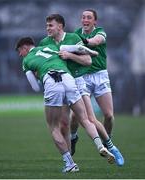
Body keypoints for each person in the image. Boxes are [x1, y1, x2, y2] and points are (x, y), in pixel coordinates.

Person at [15, 37, 115, 173]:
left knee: (53, 127)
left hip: (51, 81)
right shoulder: (51, 47)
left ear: (25, 48)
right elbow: (79, 48)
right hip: (68, 79)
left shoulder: (26, 61)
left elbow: (35, 87)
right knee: (85, 119)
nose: (20, 55)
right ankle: (100, 146)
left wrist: (39, 76)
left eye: (19, 51)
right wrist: (92, 53)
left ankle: (70, 164)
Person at [39, 13, 124, 166]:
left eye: (50, 25)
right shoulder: (45, 42)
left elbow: (88, 59)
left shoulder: (78, 37)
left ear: (60, 26)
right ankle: (70, 160)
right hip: (61, 84)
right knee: (66, 123)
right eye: (47, 25)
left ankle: (111, 147)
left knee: (97, 118)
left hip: (81, 79)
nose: (47, 28)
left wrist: (70, 55)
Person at [70, 9, 124, 166]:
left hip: (100, 76)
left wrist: (83, 42)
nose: (85, 19)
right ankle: (73, 137)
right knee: (75, 116)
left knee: (109, 115)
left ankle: (108, 142)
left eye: (89, 17)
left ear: (95, 21)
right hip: (83, 77)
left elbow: (96, 41)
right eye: (83, 17)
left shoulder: (100, 32)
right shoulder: (76, 33)